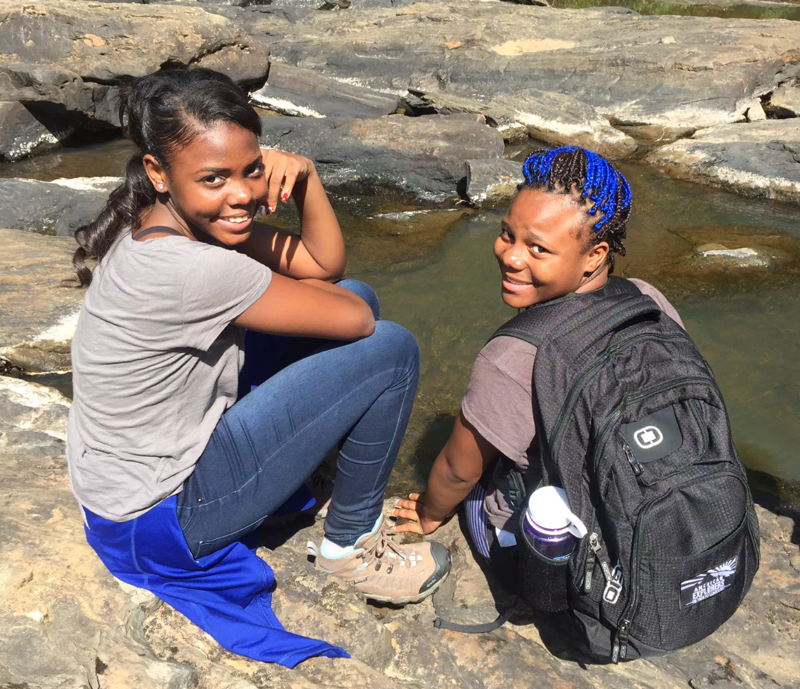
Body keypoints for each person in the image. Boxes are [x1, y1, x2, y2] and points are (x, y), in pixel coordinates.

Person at [66, 67, 450, 667]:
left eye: (250, 170)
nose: (241, 193)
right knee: (392, 347)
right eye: (214, 177)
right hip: (162, 517)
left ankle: (311, 470)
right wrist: (268, 231)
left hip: (131, 485)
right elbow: (358, 326)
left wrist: (308, 180)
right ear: (158, 174)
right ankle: (349, 545)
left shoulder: (157, 225)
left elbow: (326, 267)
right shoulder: (200, 268)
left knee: (359, 293)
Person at [391, 146, 683, 588]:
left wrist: (431, 513)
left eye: (538, 248)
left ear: (594, 255)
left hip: (568, 554)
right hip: (657, 513)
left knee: (476, 485)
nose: (511, 256)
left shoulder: (514, 354)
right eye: (507, 234)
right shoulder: (647, 298)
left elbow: (457, 469)